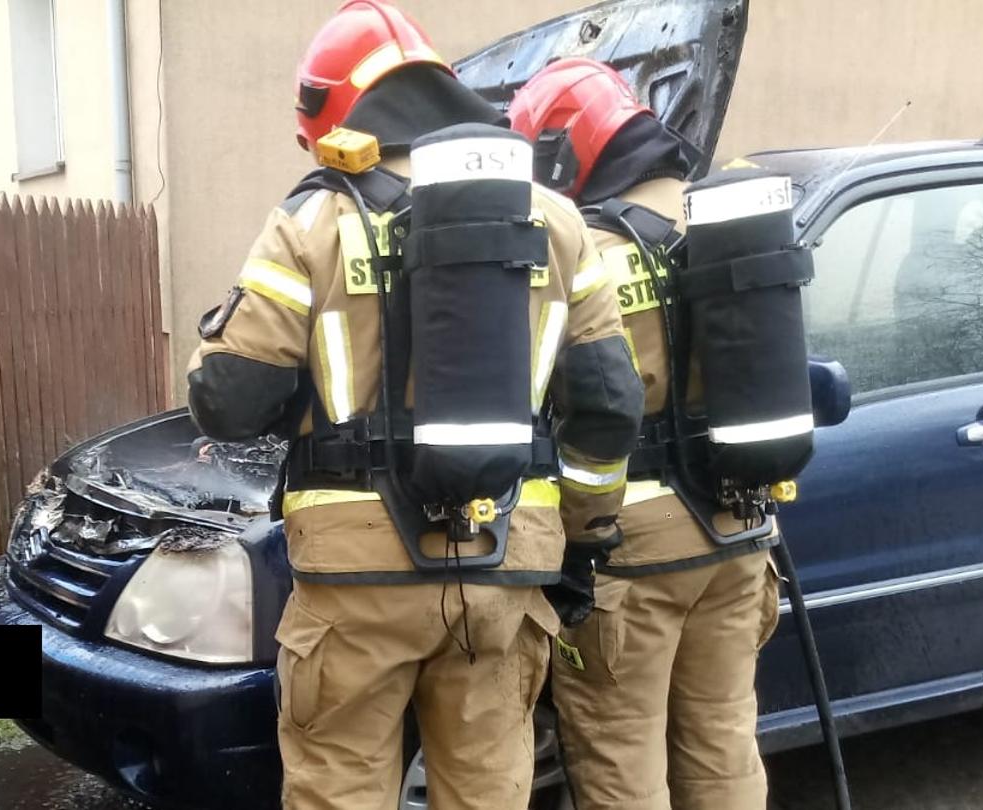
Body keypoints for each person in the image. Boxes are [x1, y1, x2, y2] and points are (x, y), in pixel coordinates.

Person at [184, 5, 643, 809]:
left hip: (355, 583)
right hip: (507, 569)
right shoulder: (559, 222)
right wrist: (587, 536)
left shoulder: (313, 223)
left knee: (339, 790)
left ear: (330, 118)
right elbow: (608, 406)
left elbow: (228, 399)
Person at [509, 58, 782, 810]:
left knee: (621, 756)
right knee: (723, 742)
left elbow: (544, 403)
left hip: (630, 553)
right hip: (739, 536)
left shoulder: (586, 252)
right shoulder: (730, 231)